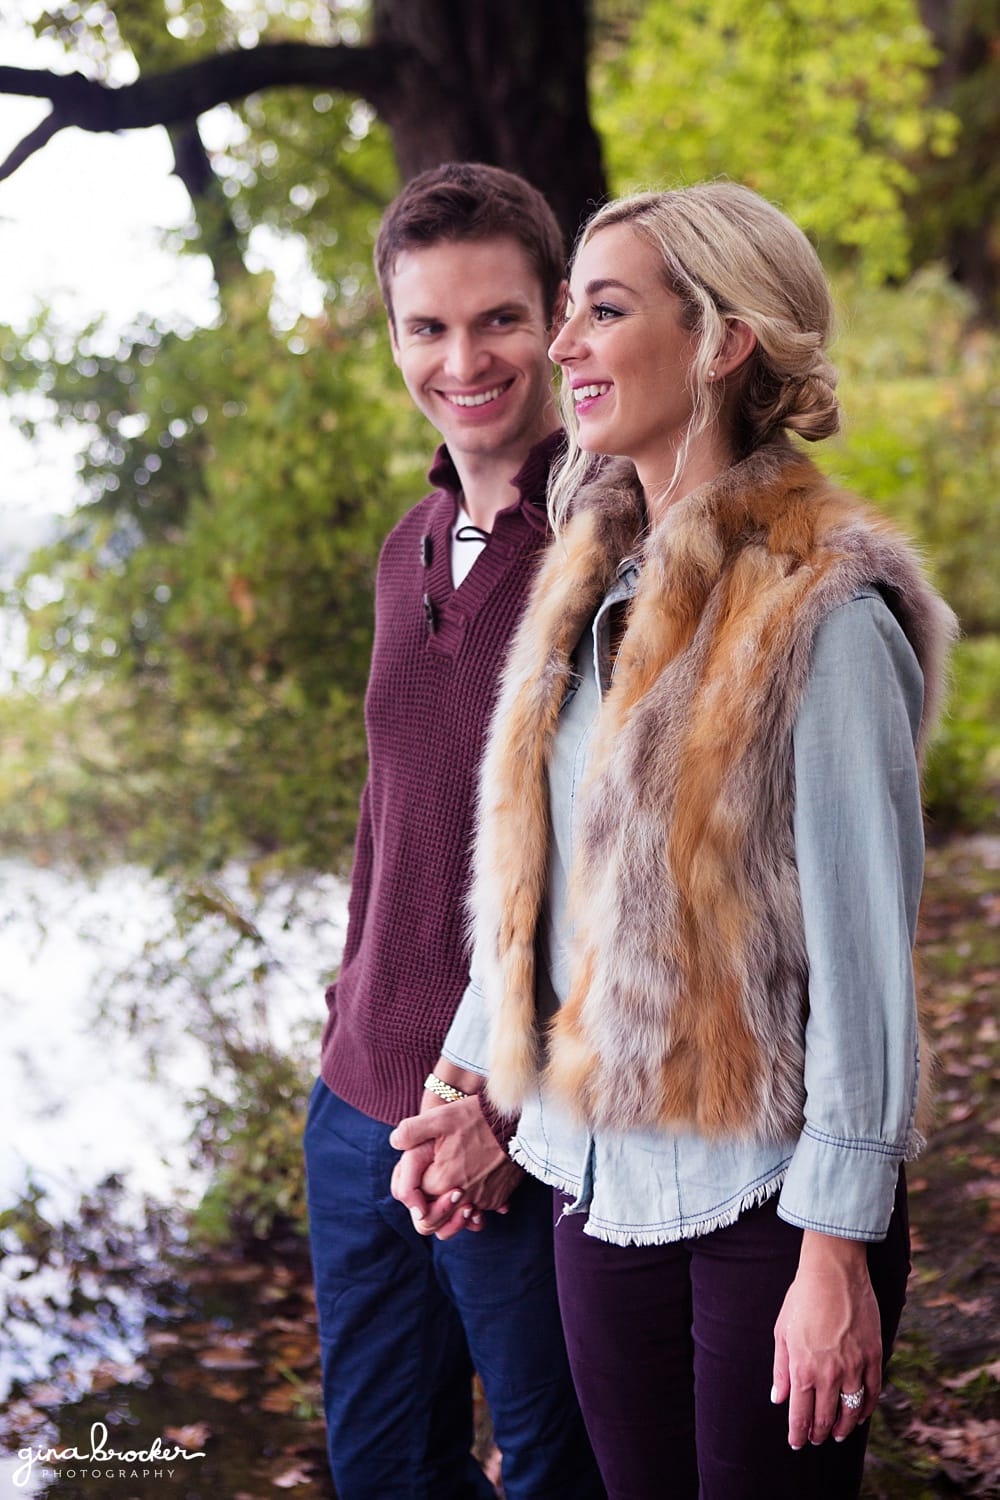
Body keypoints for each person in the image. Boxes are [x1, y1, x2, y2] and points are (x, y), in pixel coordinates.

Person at [394, 182, 957, 1499]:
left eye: (603, 309)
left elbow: (871, 978)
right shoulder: (586, 581)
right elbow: (554, 886)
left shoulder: (821, 614)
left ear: (719, 339)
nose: (565, 348)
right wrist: (468, 1077)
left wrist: (837, 1252)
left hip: (768, 1207)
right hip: (602, 1182)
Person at [302, 162, 603, 1500]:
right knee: (385, 1471)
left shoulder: (616, 552)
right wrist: (349, 995)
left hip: (516, 1122)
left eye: (498, 320)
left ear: (556, 321)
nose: (463, 358)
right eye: (428, 326)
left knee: (558, 1470)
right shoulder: (403, 548)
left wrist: (501, 1098)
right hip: (358, 1104)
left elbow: (630, 870)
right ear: (393, 336)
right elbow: (395, 807)